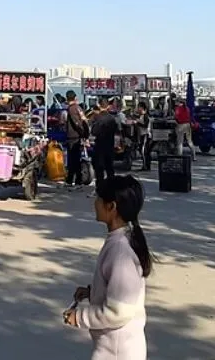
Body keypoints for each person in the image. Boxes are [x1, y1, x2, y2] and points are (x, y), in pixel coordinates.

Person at [65, 175, 150, 360]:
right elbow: (117, 288)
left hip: (118, 352)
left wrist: (80, 317)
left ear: (111, 207)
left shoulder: (120, 252)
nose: (95, 203)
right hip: (113, 348)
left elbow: (119, 312)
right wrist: (93, 292)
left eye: (98, 198)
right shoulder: (120, 239)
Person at [65, 94, 90, 188]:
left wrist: (83, 134)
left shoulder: (72, 109)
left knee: (73, 160)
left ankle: (75, 181)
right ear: (75, 98)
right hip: (78, 136)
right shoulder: (78, 108)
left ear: (67, 99)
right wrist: (85, 134)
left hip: (74, 136)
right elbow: (84, 121)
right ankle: (72, 180)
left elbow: (77, 124)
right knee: (75, 159)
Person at [136, 102, 152, 171]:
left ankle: (146, 166)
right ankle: (145, 165)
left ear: (142, 108)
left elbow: (145, 125)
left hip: (146, 134)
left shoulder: (145, 116)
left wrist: (137, 123)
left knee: (144, 151)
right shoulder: (141, 115)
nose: (138, 109)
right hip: (142, 134)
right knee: (143, 150)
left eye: (139, 107)